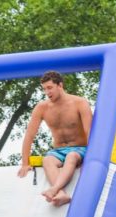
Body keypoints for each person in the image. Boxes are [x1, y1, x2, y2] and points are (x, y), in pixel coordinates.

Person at [16, 71, 93, 207]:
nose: (47, 92)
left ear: (60, 85)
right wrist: (24, 163)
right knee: (47, 160)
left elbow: (90, 132)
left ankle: (54, 189)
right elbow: (29, 135)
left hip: (79, 149)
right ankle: (61, 194)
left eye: (50, 88)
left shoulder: (79, 103)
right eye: (44, 89)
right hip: (58, 150)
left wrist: (92, 157)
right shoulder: (42, 108)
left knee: (71, 156)